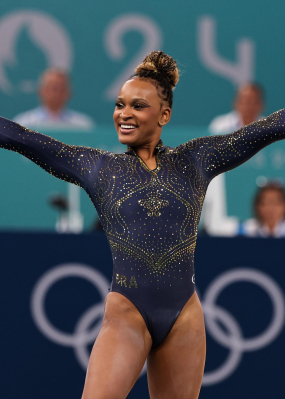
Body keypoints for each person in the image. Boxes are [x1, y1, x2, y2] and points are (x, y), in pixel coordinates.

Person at [0, 51, 285, 399]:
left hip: (185, 318)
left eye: (138, 106)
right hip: (127, 312)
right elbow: (25, 139)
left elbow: (268, 128)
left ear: (164, 114)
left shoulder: (194, 161)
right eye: (120, 105)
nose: (124, 114)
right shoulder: (99, 169)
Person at [202, 83, 265, 236]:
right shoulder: (219, 127)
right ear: (236, 103)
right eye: (244, 100)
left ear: (260, 105)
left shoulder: (269, 129)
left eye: (252, 101)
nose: (247, 105)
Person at [13, 68, 94, 130]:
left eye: (61, 88)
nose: (56, 93)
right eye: (52, 88)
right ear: (41, 91)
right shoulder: (23, 124)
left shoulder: (83, 126)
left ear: (68, 92)